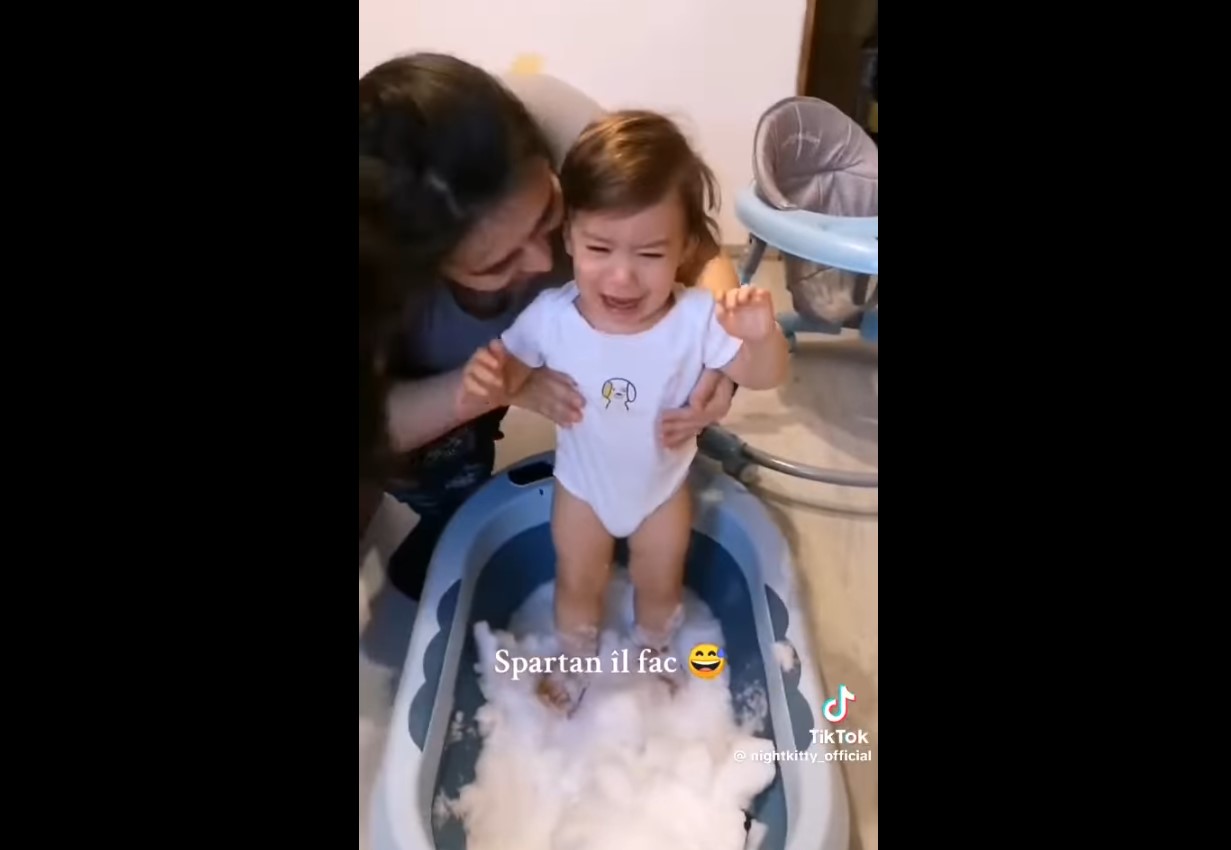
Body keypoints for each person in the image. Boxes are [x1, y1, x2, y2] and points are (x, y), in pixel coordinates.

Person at [358, 53, 743, 596]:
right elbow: (372, 427)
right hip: (435, 382)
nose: (543, 263)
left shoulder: (564, 131)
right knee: (436, 468)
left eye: (549, 215)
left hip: (638, 429)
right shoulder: (379, 279)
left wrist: (718, 355)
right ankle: (450, 508)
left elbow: (699, 252)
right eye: (496, 264)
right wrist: (487, 389)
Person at [459, 110, 790, 713]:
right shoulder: (551, 318)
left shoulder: (695, 320)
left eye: (651, 253)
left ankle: (654, 653)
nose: (622, 276)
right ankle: (576, 660)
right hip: (581, 490)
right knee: (577, 583)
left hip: (662, 491)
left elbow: (762, 376)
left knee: (660, 587)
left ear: (685, 249)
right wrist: (497, 378)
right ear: (568, 239)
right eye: (599, 248)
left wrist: (761, 336)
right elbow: (510, 368)